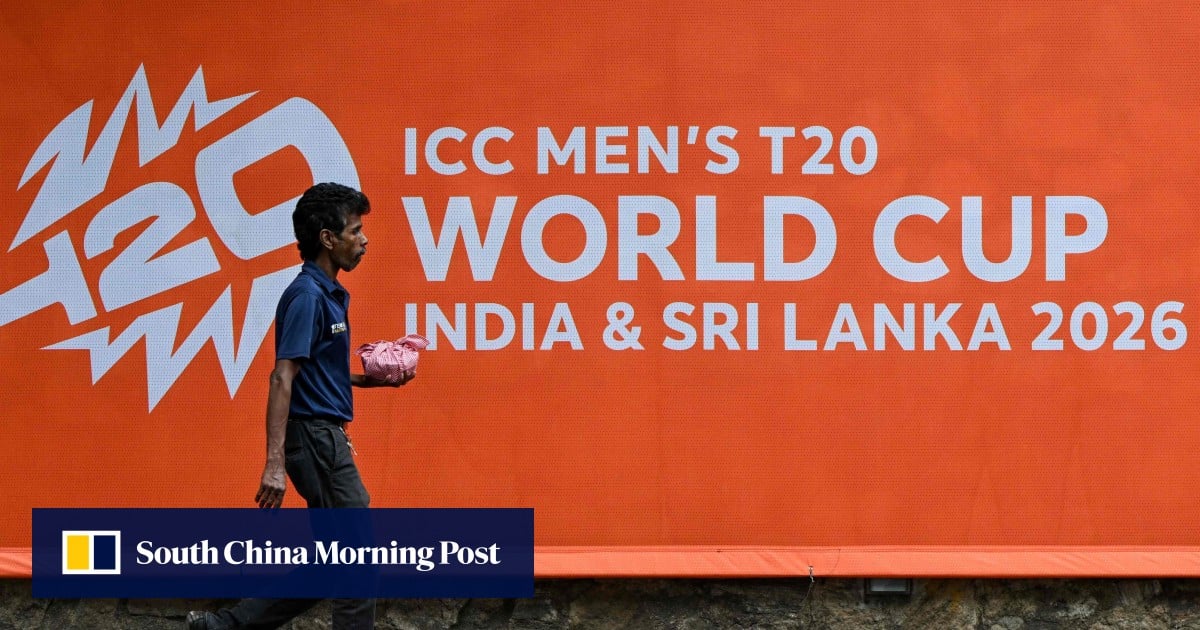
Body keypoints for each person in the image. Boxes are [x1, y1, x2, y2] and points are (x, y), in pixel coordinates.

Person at [187, 182, 410, 630]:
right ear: (328, 238)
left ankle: (224, 626)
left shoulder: (326, 292)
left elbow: (313, 369)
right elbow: (282, 376)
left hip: (322, 437)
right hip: (317, 439)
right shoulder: (308, 296)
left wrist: (368, 379)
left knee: (331, 564)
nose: (364, 239)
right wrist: (273, 464)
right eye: (355, 231)